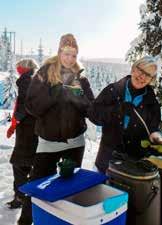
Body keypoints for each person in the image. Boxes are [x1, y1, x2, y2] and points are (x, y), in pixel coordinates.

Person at [17, 33, 94, 225]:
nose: (70, 59)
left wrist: (79, 99)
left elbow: (90, 107)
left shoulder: (80, 78)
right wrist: (55, 92)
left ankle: (62, 220)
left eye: (74, 55)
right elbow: (32, 106)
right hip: (49, 142)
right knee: (37, 185)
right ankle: (25, 221)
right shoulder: (44, 73)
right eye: (67, 53)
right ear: (59, 52)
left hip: (75, 143)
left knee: (70, 187)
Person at [88, 56, 162, 173]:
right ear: (133, 69)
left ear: (151, 79)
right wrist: (116, 110)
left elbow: (153, 128)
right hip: (107, 160)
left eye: (148, 75)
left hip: (134, 163)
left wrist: (157, 140)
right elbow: (93, 115)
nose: (142, 77)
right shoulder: (113, 90)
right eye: (141, 71)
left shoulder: (151, 101)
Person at [6, 59, 38, 209]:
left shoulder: (26, 80)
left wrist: (16, 121)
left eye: (19, 66)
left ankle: (21, 197)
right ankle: (26, 196)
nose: (17, 68)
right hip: (33, 129)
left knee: (19, 163)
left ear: (25, 68)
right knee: (27, 163)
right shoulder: (33, 80)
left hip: (27, 129)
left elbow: (25, 104)